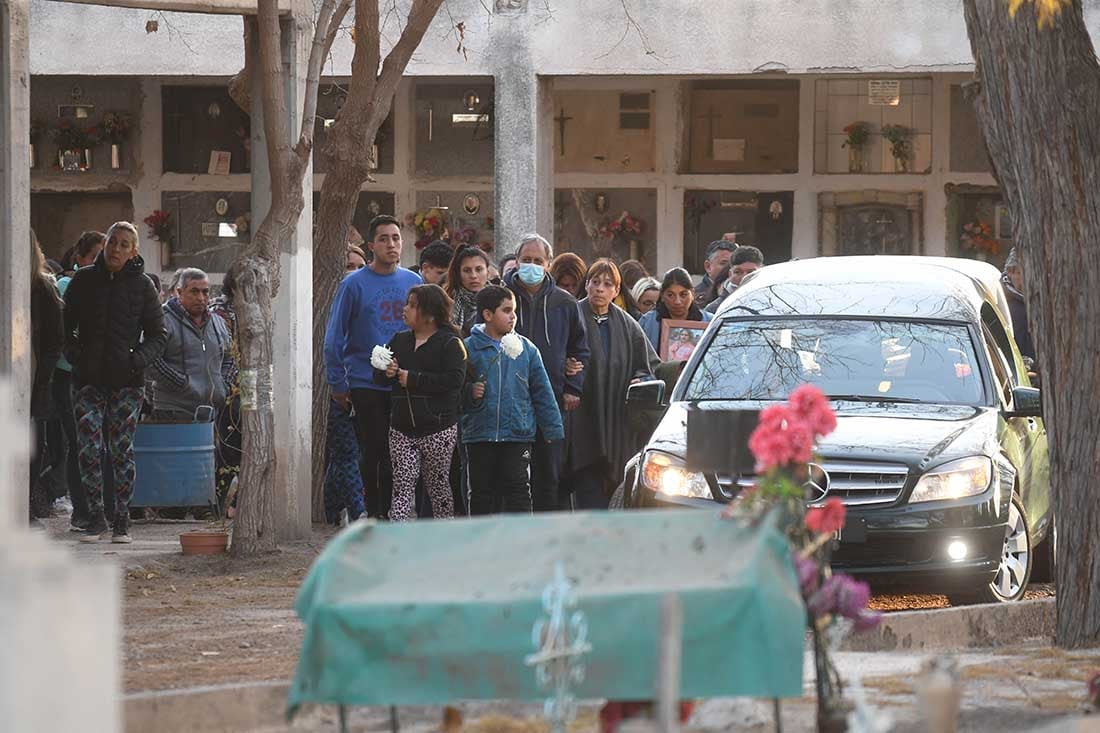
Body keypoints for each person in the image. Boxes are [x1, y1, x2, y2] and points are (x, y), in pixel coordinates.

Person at [63, 221, 166, 543]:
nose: (117, 249)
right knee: (89, 448)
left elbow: (158, 336)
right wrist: (77, 356)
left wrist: (135, 360)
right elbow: (66, 328)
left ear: (133, 251)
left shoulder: (143, 287)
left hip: (127, 383)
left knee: (121, 450)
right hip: (88, 381)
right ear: (105, 245)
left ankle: (121, 517)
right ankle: (95, 516)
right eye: (112, 243)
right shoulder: (83, 281)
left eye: (124, 244)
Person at [324, 214, 422, 519]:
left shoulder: (413, 282)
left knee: (402, 453)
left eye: (396, 238)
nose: (391, 244)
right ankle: (373, 515)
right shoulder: (353, 284)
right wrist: (339, 383)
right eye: (384, 239)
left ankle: (398, 515)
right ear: (371, 246)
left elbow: (427, 331)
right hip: (365, 382)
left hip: (404, 382)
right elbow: (333, 337)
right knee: (375, 452)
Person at [503, 233, 590, 512]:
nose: (532, 266)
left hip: (550, 399)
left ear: (549, 263)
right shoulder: (500, 299)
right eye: (526, 260)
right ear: (516, 262)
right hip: (507, 400)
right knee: (510, 474)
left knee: (548, 472)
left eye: (537, 260)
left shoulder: (565, 304)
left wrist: (573, 386)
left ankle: (545, 529)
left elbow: (580, 348)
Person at [564, 260, 659, 510]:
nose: (600, 289)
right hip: (582, 416)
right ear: (586, 285)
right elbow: (551, 355)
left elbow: (649, 363)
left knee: (616, 492)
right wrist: (564, 366)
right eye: (595, 282)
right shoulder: (571, 316)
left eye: (607, 284)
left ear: (616, 291)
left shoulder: (628, 324)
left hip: (617, 418)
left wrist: (641, 378)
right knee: (586, 485)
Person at [462, 286, 563, 514]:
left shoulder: (527, 349)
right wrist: (469, 392)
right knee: (480, 491)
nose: (513, 316)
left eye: (514, 311)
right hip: (480, 434)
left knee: (518, 488)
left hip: (517, 433)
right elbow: (454, 389)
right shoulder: (469, 348)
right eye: (506, 310)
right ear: (488, 315)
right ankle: (481, 542)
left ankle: (521, 541)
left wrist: (552, 429)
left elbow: (542, 392)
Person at [377, 285, 467, 521]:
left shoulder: (450, 343)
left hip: (438, 428)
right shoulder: (399, 340)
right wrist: (387, 372)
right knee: (402, 484)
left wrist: (414, 379)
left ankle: (442, 533)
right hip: (401, 428)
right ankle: (398, 534)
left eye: (412, 305)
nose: (405, 309)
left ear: (429, 313)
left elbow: (455, 380)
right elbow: (379, 373)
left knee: (437, 485)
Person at [54, 230, 107, 529]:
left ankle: (97, 506)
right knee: (78, 441)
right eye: (96, 256)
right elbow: (65, 330)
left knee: (95, 441)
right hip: (68, 373)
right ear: (81, 259)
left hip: (95, 373)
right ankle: (82, 508)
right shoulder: (68, 284)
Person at [150, 268, 232, 422]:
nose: (201, 298)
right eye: (194, 292)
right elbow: (151, 360)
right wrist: (183, 383)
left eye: (205, 292)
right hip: (173, 411)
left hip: (211, 413)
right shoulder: (163, 321)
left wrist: (223, 384)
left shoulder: (218, 323)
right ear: (180, 293)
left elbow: (229, 357)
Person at [29, 230, 64, 524]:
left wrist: (43, 378)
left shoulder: (44, 287)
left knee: (33, 443)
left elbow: (54, 341)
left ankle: (28, 501)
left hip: (33, 375)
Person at [209, 270, 243, 515]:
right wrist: (230, 388)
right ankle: (218, 503)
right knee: (230, 445)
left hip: (260, 379)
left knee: (260, 440)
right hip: (232, 385)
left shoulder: (266, 306)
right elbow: (225, 356)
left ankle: (241, 500)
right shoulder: (219, 313)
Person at [639, 268, 715, 355]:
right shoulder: (648, 322)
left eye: (683, 295)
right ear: (662, 296)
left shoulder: (710, 322)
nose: (677, 301)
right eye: (670, 295)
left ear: (692, 294)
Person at [445, 246, 491, 336]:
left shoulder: (499, 299)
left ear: (488, 272)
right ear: (458, 273)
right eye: (467, 270)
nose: (473, 275)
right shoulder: (447, 301)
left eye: (479, 269)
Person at [706, 245, 765, 314]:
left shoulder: (774, 302)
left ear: (761, 273)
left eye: (751, 272)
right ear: (730, 274)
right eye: (738, 272)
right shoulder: (715, 309)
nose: (744, 277)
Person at [1002, 247, 1035, 362]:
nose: (1028, 279)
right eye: (1022, 273)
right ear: (1010, 273)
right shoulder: (1003, 302)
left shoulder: (1036, 302)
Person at [694, 239, 736, 308]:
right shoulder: (695, 298)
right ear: (708, 266)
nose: (729, 269)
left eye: (733, 264)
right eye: (724, 263)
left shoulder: (743, 293)